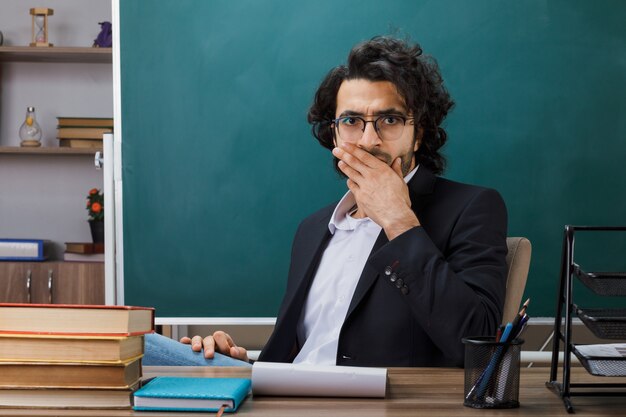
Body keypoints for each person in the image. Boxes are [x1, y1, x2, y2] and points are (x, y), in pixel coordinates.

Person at [146, 35, 507, 368]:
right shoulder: (313, 229)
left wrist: (399, 220)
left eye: (390, 119)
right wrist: (237, 361)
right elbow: (301, 353)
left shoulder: (472, 208)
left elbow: (477, 347)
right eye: (351, 120)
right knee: (145, 350)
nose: (368, 140)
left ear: (418, 136)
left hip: (380, 408)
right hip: (287, 403)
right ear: (333, 132)